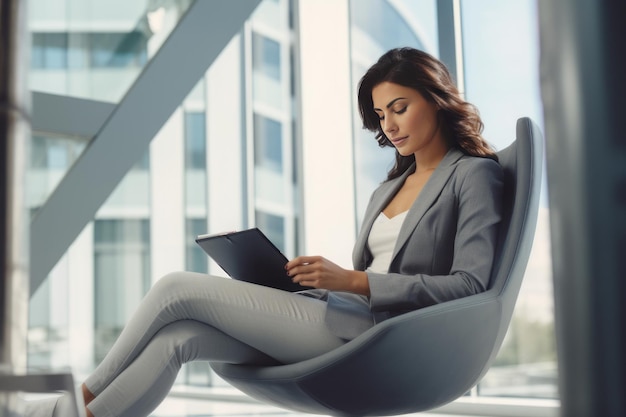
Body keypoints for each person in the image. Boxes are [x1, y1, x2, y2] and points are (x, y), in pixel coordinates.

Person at [33, 47, 503, 417]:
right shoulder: (390, 188)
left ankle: (68, 404)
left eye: (399, 107)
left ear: (436, 99)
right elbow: (372, 273)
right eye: (381, 115)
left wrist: (353, 280)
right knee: (177, 339)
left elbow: (471, 286)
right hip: (336, 314)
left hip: (377, 338)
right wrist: (313, 281)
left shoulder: (473, 175)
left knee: (175, 288)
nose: (390, 124)